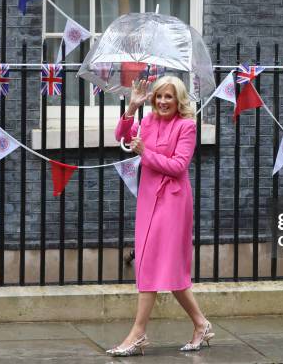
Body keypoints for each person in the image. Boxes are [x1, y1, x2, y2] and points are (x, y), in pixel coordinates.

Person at [107, 76, 214, 357]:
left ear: (179, 100)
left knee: (151, 264)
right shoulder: (149, 121)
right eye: (159, 96)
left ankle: (138, 334)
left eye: (169, 97)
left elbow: (178, 166)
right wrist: (131, 108)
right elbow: (122, 136)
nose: (163, 101)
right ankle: (201, 324)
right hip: (148, 199)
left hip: (173, 202)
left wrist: (146, 152)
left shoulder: (187, 126)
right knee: (164, 268)